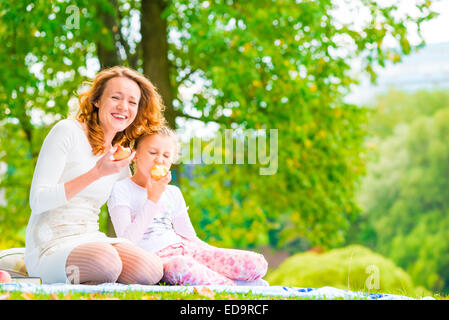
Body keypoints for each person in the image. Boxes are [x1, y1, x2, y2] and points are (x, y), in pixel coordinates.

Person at [25, 66, 165, 285]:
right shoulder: (67, 131)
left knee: (150, 269)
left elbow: (127, 232)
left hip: (91, 240)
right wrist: (96, 172)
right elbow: (37, 201)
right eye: (116, 97)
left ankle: (93, 282)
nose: (123, 107)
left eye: (132, 102)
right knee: (106, 263)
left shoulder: (118, 155)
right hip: (50, 245)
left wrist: (152, 194)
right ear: (97, 100)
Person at [107, 126, 269, 286]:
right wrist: (153, 199)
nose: (159, 159)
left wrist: (213, 255)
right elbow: (127, 241)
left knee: (256, 263)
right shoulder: (122, 189)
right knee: (181, 267)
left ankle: (237, 280)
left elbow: (189, 236)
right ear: (135, 154)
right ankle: (236, 287)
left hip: (185, 248)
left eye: (166, 155)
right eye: (152, 153)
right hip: (159, 260)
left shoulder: (173, 192)